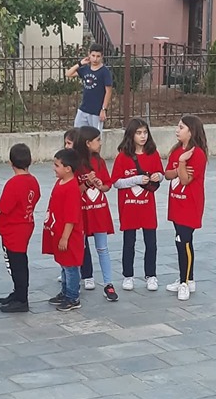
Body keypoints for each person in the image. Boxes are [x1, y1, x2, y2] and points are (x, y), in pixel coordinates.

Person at [112, 118, 163, 292]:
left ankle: (151, 275)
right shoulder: (122, 157)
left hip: (147, 206)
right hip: (129, 207)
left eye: (145, 132)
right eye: (139, 133)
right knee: (129, 242)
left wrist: (158, 176)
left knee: (151, 242)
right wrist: (135, 180)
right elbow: (116, 182)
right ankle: (128, 275)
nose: (143, 136)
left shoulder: (153, 154)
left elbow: (161, 174)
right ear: (131, 135)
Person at [164, 115, 208, 301]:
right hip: (176, 203)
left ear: (191, 131)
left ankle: (184, 282)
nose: (177, 130)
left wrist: (182, 162)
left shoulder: (197, 154)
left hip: (190, 205)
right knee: (180, 241)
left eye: (181, 127)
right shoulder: (176, 151)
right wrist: (178, 168)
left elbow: (185, 180)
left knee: (184, 242)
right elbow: (167, 174)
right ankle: (188, 279)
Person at [0, 143, 41, 313]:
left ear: (10, 162)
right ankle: (18, 292)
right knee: (19, 261)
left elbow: (5, 206)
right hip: (26, 224)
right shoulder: (33, 180)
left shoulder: (13, 183)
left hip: (14, 229)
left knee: (17, 263)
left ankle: (22, 299)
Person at [74, 126, 118, 301]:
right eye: (98, 140)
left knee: (102, 248)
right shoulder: (75, 164)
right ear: (87, 143)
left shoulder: (100, 162)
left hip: (99, 211)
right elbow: (73, 191)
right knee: (79, 247)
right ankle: (74, 282)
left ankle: (108, 284)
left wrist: (100, 184)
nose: (100, 143)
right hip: (82, 212)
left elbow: (107, 185)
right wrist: (86, 183)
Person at [44, 148, 84, 311]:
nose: (54, 168)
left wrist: (65, 237)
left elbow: (71, 217)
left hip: (69, 236)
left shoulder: (71, 188)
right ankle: (65, 292)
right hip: (59, 231)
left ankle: (73, 297)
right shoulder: (60, 182)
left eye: (57, 165)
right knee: (64, 263)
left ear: (68, 168)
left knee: (71, 266)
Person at [66, 43, 113, 130]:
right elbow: (68, 74)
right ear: (89, 55)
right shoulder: (85, 69)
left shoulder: (105, 72)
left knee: (95, 136)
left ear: (102, 56)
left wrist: (103, 109)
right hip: (83, 109)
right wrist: (80, 63)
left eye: (98, 56)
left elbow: (108, 91)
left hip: (96, 112)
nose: (95, 59)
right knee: (77, 133)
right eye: (93, 55)